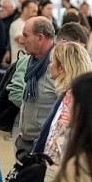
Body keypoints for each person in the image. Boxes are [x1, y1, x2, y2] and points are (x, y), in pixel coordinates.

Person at [42, 41, 92, 182]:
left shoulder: (72, 99)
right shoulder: (77, 95)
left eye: (52, 62)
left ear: (63, 67)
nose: (49, 65)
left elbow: (60, 139)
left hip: (58, 172)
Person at [11, 17, 57, 158]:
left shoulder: (58, 67)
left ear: (40, 38)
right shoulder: (30, 63)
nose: (21, 40)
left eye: (26, 36)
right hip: (24, 141)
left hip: (44, 147)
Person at [8, 0, 37, 64]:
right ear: (25, 9)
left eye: (36, 11)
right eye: (33, 11)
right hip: (18, 64)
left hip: (29, 63)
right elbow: (22, 41)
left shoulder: (34, 25)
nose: (35, 14)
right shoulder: (16, 24)